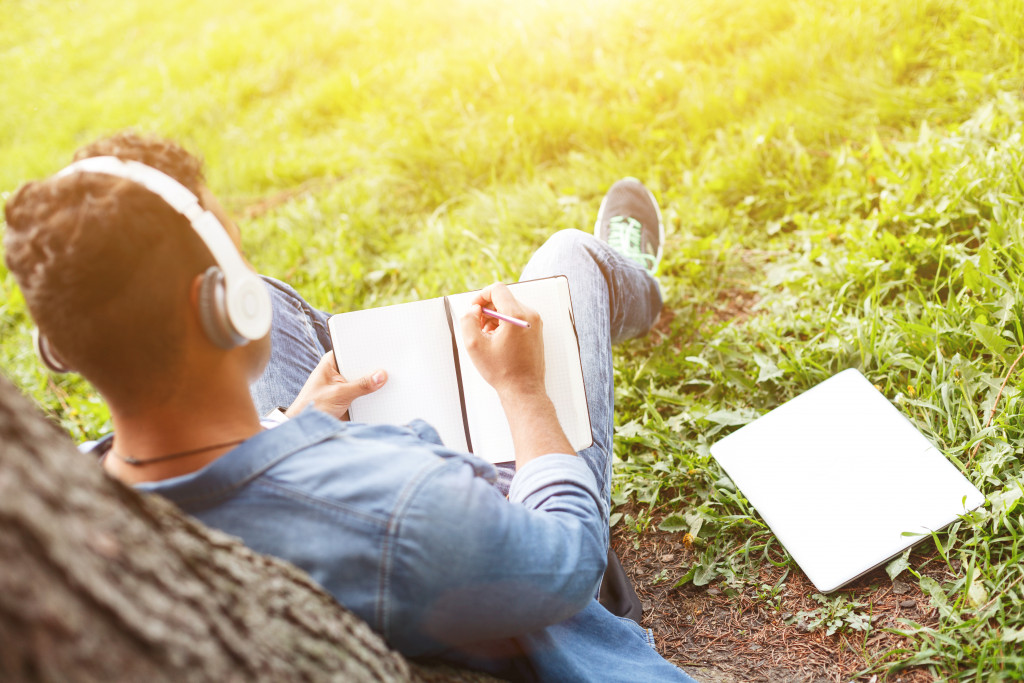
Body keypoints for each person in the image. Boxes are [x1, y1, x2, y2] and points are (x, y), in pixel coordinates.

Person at [3, 132, 696, 681]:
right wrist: (521, 390)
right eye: (235, 262)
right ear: (221, 306)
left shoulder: (82, 502)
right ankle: (624, 271)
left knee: (285, 300)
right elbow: (567, 561)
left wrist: (288, 429)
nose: (246, 277)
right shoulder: (406, 503)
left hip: (354, 510)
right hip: (521, 568)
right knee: (568, 258)